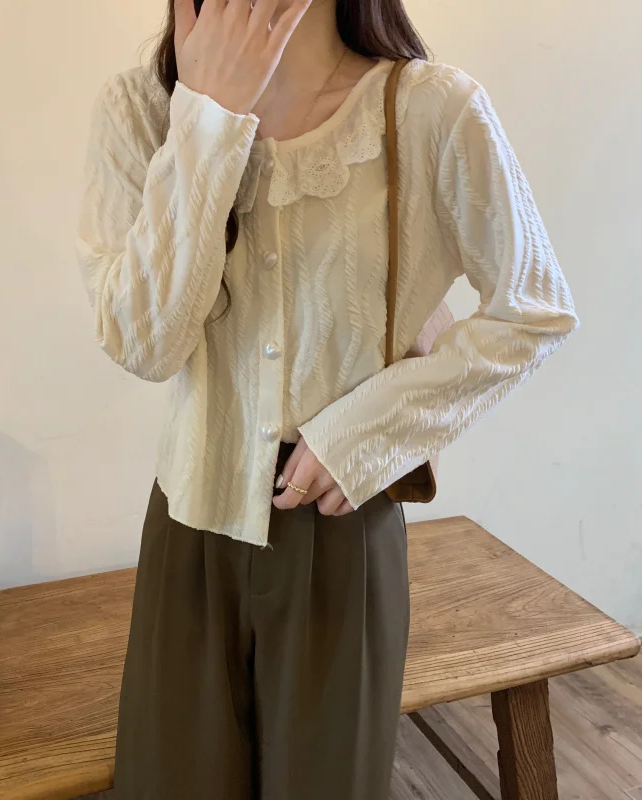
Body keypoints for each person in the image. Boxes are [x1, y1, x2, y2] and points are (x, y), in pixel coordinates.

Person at [77, 0, 578, 797]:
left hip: (342, 533)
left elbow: (534, 310)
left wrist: (365, 435)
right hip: (189, 528)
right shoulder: (142, 110)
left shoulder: (429, 110)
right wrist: (208, 123)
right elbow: (143, 344)